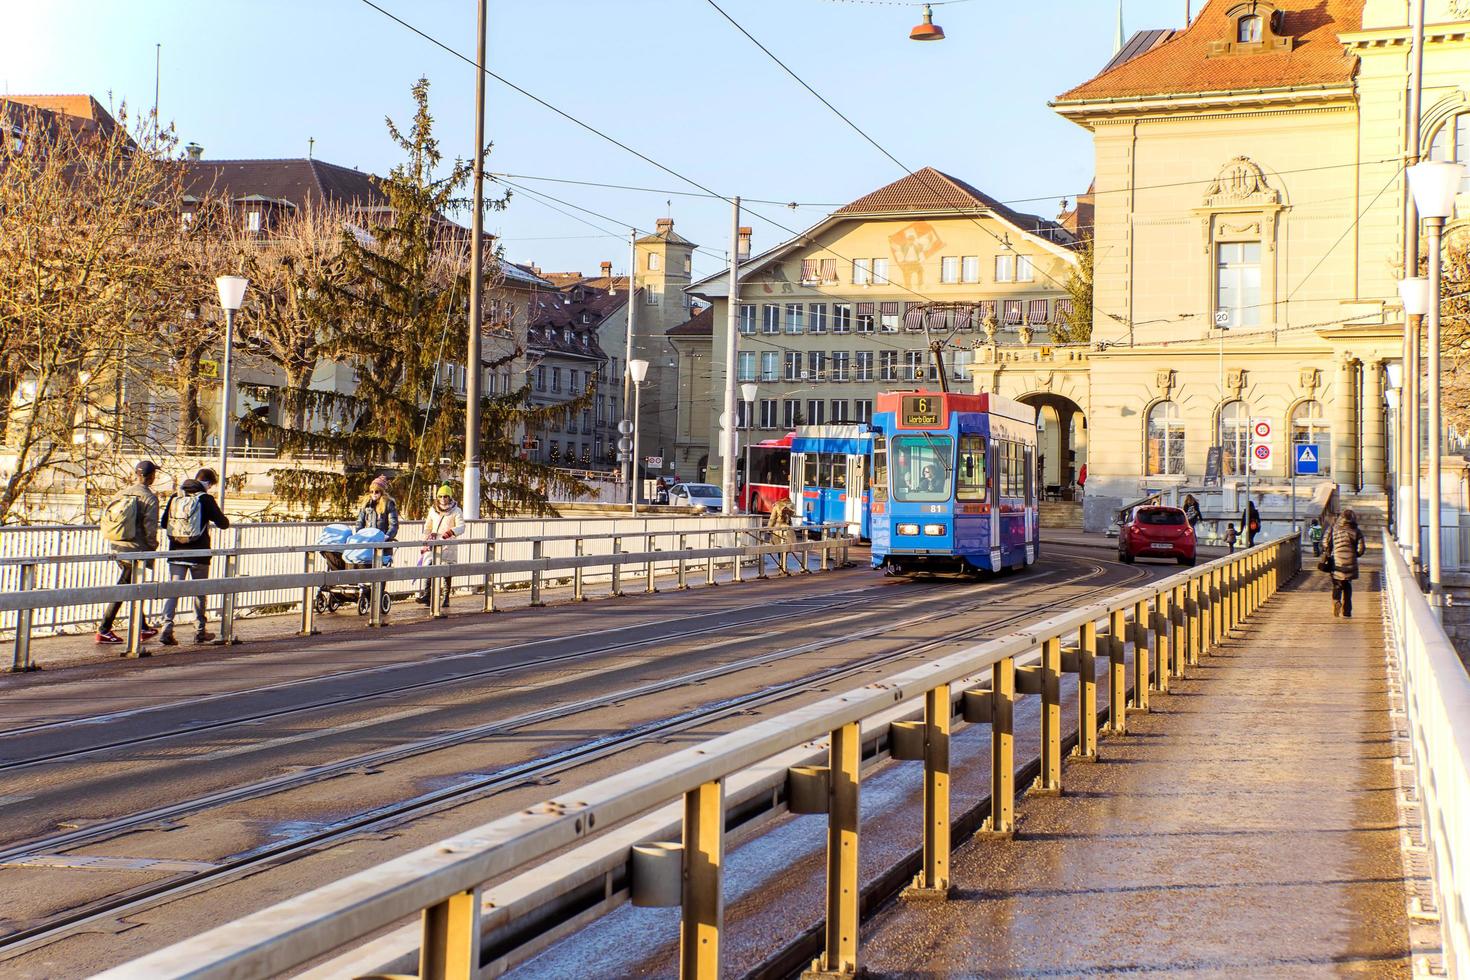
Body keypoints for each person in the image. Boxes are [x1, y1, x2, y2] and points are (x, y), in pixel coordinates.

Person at [158, 468, 230, 645]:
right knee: (199, 593)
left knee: (173, 591)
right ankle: (200, 631)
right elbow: (223, 523)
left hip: (176, 552)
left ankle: (166, 628)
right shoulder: (205, 499)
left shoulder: (176, 496)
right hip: (199, 554)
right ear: (209, 484)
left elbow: (163, 522)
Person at [96, 460, 162, 645]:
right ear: (151, 477)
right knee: (125, 588)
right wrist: (152, 547)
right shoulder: (149, 498)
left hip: (117, 545)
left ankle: (143, 627)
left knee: (132, 586)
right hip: (136, 550)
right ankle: (104, 629)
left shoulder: (121, 493)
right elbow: (150, 529)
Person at [416, 484, 465, 605]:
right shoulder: (433, 510)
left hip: (448, 543)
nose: (443, 499)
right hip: (433, 541)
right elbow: (427, 526)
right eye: (440, 496)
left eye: (446, 496)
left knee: (446, 570)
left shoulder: (456, 511)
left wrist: (451, 532)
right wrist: (425, 540)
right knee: (429, 567)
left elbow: (461, 527)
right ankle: (427, 595)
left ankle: (446, 597)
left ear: (450, 497)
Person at [1323, 509, 1367, 618]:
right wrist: (1355, 555)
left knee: (1337, 584)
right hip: (1350, 562)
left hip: (1337, 561)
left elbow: (1325, 542)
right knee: (1347, 585)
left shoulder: (1333, 528)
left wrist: (1329, 552)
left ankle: (1336, 601)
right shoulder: (1356, 530)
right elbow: (1362, 548)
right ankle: (1347, 610)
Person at [357, 474, 400, 541]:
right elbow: (360, 522)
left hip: (383, 539)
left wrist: (387, 536)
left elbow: (393, 524)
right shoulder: (366, 504)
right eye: (372, 491)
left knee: (383, 551)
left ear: (381, 492)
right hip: (367, 539)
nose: (374, 494)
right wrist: (360, 535)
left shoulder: (388, 504)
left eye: (376, 491)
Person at [767, 496, 797, 574]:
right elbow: (792, 516)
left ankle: (781, 563)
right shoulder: (792, 505)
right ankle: (784, 562)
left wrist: (769, 528)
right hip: (788, 529)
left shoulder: (777, 505)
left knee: (779, 547)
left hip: (778, 529)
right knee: (787, 547)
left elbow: (772, 519)